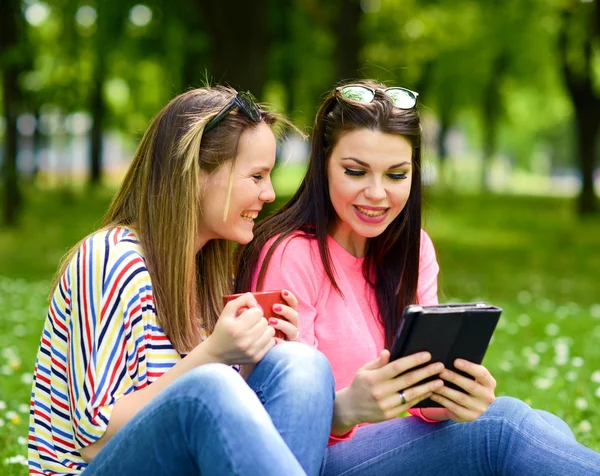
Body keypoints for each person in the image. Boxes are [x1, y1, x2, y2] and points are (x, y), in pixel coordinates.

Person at [234, 80, 600, 475]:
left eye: (396, 175)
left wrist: (456, 397)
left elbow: (422, 398)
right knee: (505, 430)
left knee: (547, 427)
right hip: (317, 463)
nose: (377, 193)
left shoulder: (414, 251)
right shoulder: (289, 254)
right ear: (323, 164)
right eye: (356, 171)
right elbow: (278, 424)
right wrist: (344, 410)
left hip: (395, 453)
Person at [28, 86, 336, 476]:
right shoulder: (110, 258)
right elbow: (94, 439)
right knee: (211, 388)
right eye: (256, 176)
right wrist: (214, 356)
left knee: (300, 364)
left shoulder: (205, 271)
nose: (270, 193)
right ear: (196, 174)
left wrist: (252, 358)